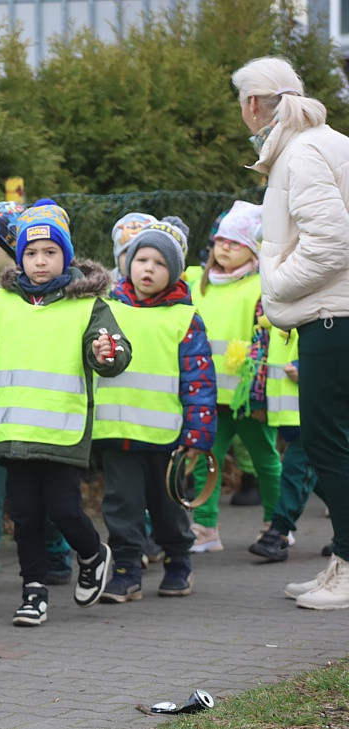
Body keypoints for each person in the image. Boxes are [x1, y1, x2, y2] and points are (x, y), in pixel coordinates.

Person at [0, 199, 130, 626]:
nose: (39, 262)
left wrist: (106, 351)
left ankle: (94, 553)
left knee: (63, 510)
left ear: (66, 255)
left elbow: (114, 354)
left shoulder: (89, 305)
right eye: (30, 252)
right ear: (19, 256)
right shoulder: (3, 302)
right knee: (24, 515)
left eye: (49, 252)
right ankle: (33, 592)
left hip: (62, 432)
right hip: (13, 433)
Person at [234, 56, 349, 609]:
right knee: (334, 442)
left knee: (329, 443)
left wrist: (276, 285)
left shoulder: (301, 153)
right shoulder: (322, 143)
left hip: (333, 317)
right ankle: (341, 561)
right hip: (334, 313)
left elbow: (331, 243)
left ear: (253, 104)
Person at [93, 218, 217, 602]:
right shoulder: (106, 309)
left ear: (174, 272)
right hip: (117, 433)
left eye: (160, 263)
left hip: (168, 437)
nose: (149, 268)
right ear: (127, 263)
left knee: (168, 507)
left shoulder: (185, 318)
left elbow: (199, 381)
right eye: (141, 259)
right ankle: (127, 570)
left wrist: (198, 436)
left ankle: (179, 562)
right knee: (121, 506)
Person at [0, 202, 74, 592]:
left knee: (42, 497)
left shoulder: (29, 300)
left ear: (14, 249)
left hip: (33, 418)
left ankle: (56, 546)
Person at [189, 201, 282, 554]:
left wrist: (259, 393)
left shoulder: (262, 285)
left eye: (237, 242)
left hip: (247, 398)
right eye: (222, 240)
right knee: (204, 460)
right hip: (206, 395)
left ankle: (277, 524)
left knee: (266, 462)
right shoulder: (196, 284)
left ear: (254, 251)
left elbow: (266, 340)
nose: (226, 246)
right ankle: (205, 528)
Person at [249, 326, 323, 562]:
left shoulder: (325, 308)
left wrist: (307, 369)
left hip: (315, 415)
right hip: (290, 415)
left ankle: (277, 534)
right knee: (324, 477)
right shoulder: (278, 315)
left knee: (295, 470)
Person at [109, 212, 157, 283]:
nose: (134, 257)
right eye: (127, 251)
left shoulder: (174, 290)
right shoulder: (103, 289)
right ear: (117, 259)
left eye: (142, 250)